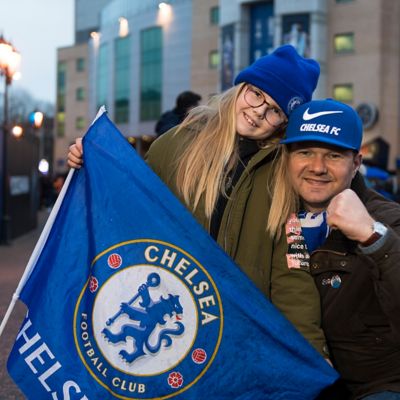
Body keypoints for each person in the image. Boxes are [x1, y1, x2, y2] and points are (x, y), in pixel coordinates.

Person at [68, 45, 330, 359]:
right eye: (256, 94)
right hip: (164, 310)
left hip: (235, 334)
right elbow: (125, 205)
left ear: (283, 122)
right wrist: (91, 162)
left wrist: (313, 356)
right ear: (239, 88)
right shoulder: (176, 144)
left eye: (275, 109)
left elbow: (291, 274)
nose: (260, 110)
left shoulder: (282, 175)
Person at [269, 98, 400, 399]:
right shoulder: (268, 217)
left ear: (356, 163)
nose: (317, 167)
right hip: (292, 381)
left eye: (333, 155)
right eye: (305, 152)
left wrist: (373, 237)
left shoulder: (386, 219)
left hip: (375, 387)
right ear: (287, 157)